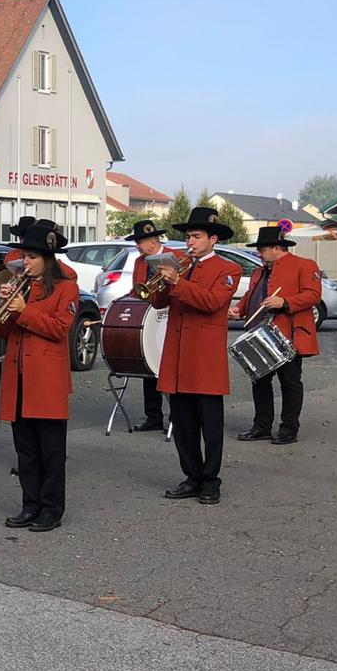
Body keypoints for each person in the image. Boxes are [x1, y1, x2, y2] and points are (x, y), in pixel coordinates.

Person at [152, 207, 240, 505]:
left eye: (196, 236)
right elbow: (158, 302)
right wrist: (162, 283)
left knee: (211, 426)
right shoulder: (181, 265)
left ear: (213, 239)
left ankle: (211, 481)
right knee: (183, 423)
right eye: (188, 236)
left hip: (204, 359)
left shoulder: (228, 269)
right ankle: (191, 476)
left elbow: (212, 302)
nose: (189, 241)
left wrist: (178, 282)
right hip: (177, 357)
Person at [0, 224, 79, 532]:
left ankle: (51, 508)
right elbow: (4, 332)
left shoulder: (66, 288)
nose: (24, 262)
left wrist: (23, 309)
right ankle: (29, 504)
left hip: (46, 380)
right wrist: (1, 306)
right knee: (26, 451)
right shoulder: (21, 286)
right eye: (24, 256)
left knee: (51, 451)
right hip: (18, 378)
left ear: (47, 258)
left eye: (31, 257)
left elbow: (59, 329)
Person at [232, 224, 321, 445]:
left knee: (290, 382)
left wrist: (286, 302)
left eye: (261, 250)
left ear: (276, 247)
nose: (258, 254)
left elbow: (313, 295)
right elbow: (251, 296)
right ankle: (262, 426)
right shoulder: (259, 271)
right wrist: (239, 309)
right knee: (259, 382)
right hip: (260, 334)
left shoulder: (304, 265)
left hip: (288, 334)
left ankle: (289, 428)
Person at [125, 217, 171, 432]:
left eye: (140, 242)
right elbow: (138, 288)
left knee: (168, 367)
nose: (137, 245)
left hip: (169, 315)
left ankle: (176, 417)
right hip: (148, 315)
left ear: (152, 241)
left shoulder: (173, 256)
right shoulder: (139, 261)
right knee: (148, 363)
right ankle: (153, 416)